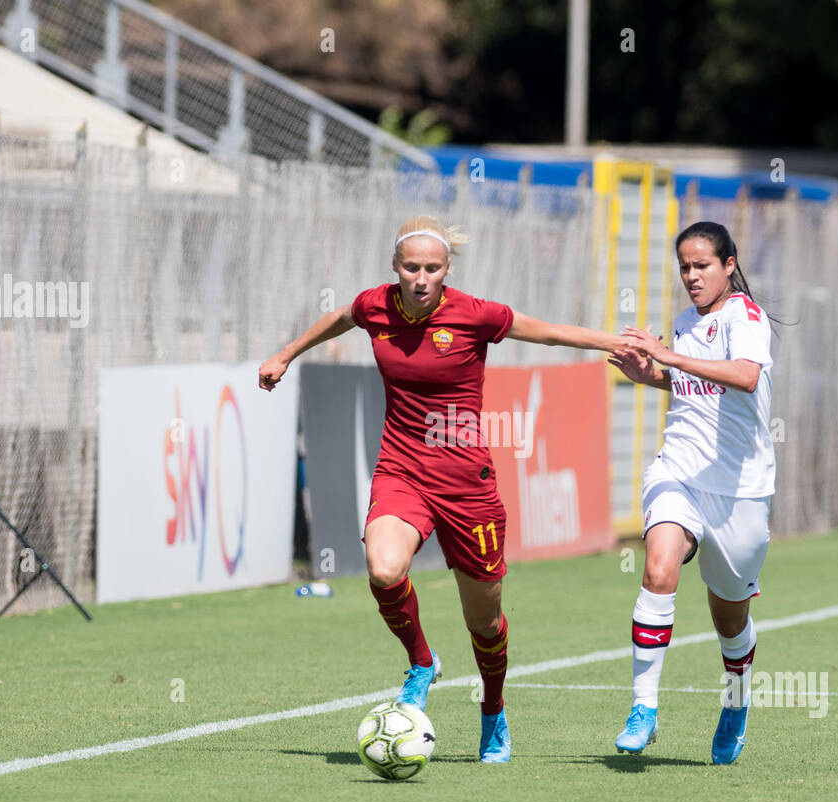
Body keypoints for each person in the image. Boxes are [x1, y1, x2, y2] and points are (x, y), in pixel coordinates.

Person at [259, 215, 622, 763]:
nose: (421, 277)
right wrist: (285, 353)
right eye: (411, 267)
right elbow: (339, 317)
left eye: (432, 268)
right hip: (401, 469)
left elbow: (546, 330)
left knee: (484, 620)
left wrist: (614, 342)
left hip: (466, 485)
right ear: (395, 269)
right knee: (383, 569)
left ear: (447, 270)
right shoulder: (375, 305)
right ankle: (422, 663)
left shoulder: (475, 314)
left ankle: (493, 713)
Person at [608, 221, 776, 765]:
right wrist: (650, 375)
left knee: (730, 619)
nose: (691, 275)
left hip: (740, 491)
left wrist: (670, 358)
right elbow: (693, 386)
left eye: (702, 264)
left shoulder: (745, 316)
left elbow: (745, 377)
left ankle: (736, 700)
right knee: (659, 567)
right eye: (684, 266)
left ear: (729, 264)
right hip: (677, 471)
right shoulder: (684, 324)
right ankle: (644, 709)